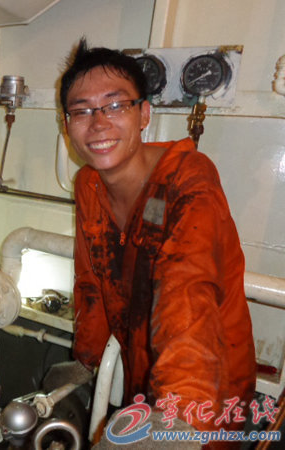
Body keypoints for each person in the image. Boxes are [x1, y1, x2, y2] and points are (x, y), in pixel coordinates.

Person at [59, 40, 256, 446]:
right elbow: (90, 281)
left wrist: (176, 417)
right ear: (67, 124)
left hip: (204, 391)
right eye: (82, 111)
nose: (98, 123)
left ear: (144, 114)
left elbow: (187, 291)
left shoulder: (188, 178)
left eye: (115, 105)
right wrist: (85, 360)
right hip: (142, 371)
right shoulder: (88, 184)